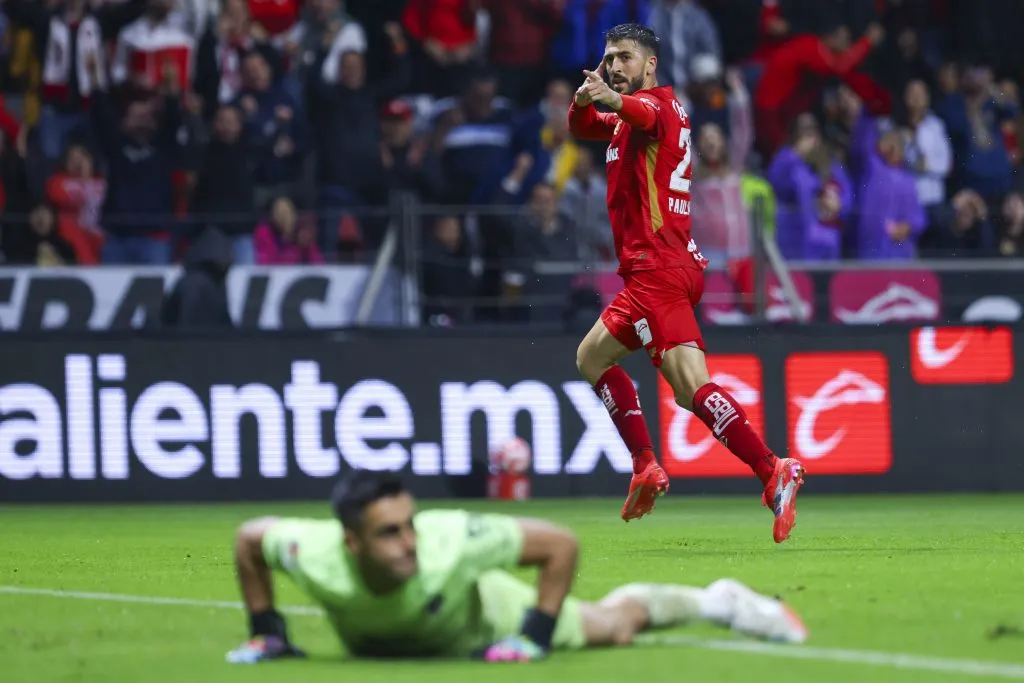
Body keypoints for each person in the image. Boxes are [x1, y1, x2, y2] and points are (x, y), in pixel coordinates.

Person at [567, 23, 805, 541]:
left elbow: (640, 112)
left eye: (625, 57)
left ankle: (772, 470)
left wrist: (610, 97)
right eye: (609, 58)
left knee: (691, 388)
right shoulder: (624, 121)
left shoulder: (659, 108)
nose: (614, 66)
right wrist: (585, 99)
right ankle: (646, 465)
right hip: (656, 269)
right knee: (591, 357)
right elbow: (585, 127)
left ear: (650, 64)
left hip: (658, 270)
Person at [226, 470, 808, 664]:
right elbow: (249, 540)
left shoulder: (450, 541)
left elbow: (560, 545)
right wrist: (268, 634)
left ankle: (720, 601)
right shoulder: (312, 551)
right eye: (388, 533)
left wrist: (531, 637)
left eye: (411, 525)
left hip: (495, 618)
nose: (410, 542)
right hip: (422, 633)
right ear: (350, 543)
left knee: (615, 625)